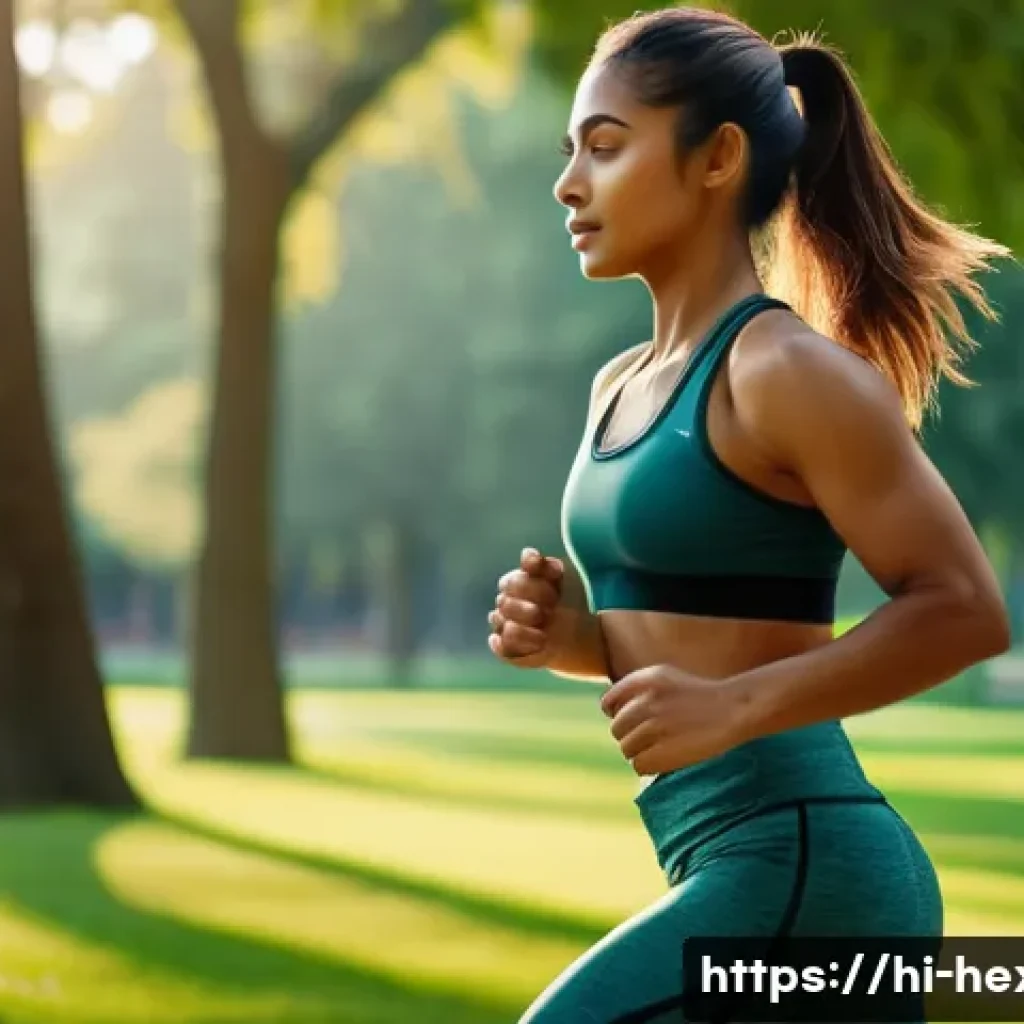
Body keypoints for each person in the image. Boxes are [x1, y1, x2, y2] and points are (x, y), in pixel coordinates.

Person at [486, 7, 1013, 1023]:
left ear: (717, 156)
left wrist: (736, 708)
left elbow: (962, 608)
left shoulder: (783, 371)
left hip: (811, 875)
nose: (567, 183)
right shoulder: (618, 386)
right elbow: (711, 635)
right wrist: (574, 639)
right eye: (570, 152)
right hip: (727, 856)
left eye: (605, 146)